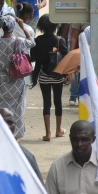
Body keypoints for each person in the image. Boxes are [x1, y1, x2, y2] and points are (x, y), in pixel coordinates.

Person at [0, 15, 35, 138]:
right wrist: (23, 27)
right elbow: (32, 42)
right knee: (17, 106)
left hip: (0, 78)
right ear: (13, 27)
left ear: (2, 27)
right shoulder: (18, 41)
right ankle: (16, 135)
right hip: (16, 78)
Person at [30, 14, 69, 142]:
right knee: (58, 102)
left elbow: (34, 59)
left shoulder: (38, 41)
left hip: (44, 76)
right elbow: (66, 58)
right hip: (57, 76)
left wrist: (34, 77)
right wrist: (68, 74)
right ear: (55, 26)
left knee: (46, 102)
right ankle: (58, 130)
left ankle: (47, 133)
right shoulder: (59, 40)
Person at [0, 107, 42, 181]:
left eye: (10, 123)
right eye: (1, 121)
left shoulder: (26, 157)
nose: (6, 126)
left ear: (15, 126)